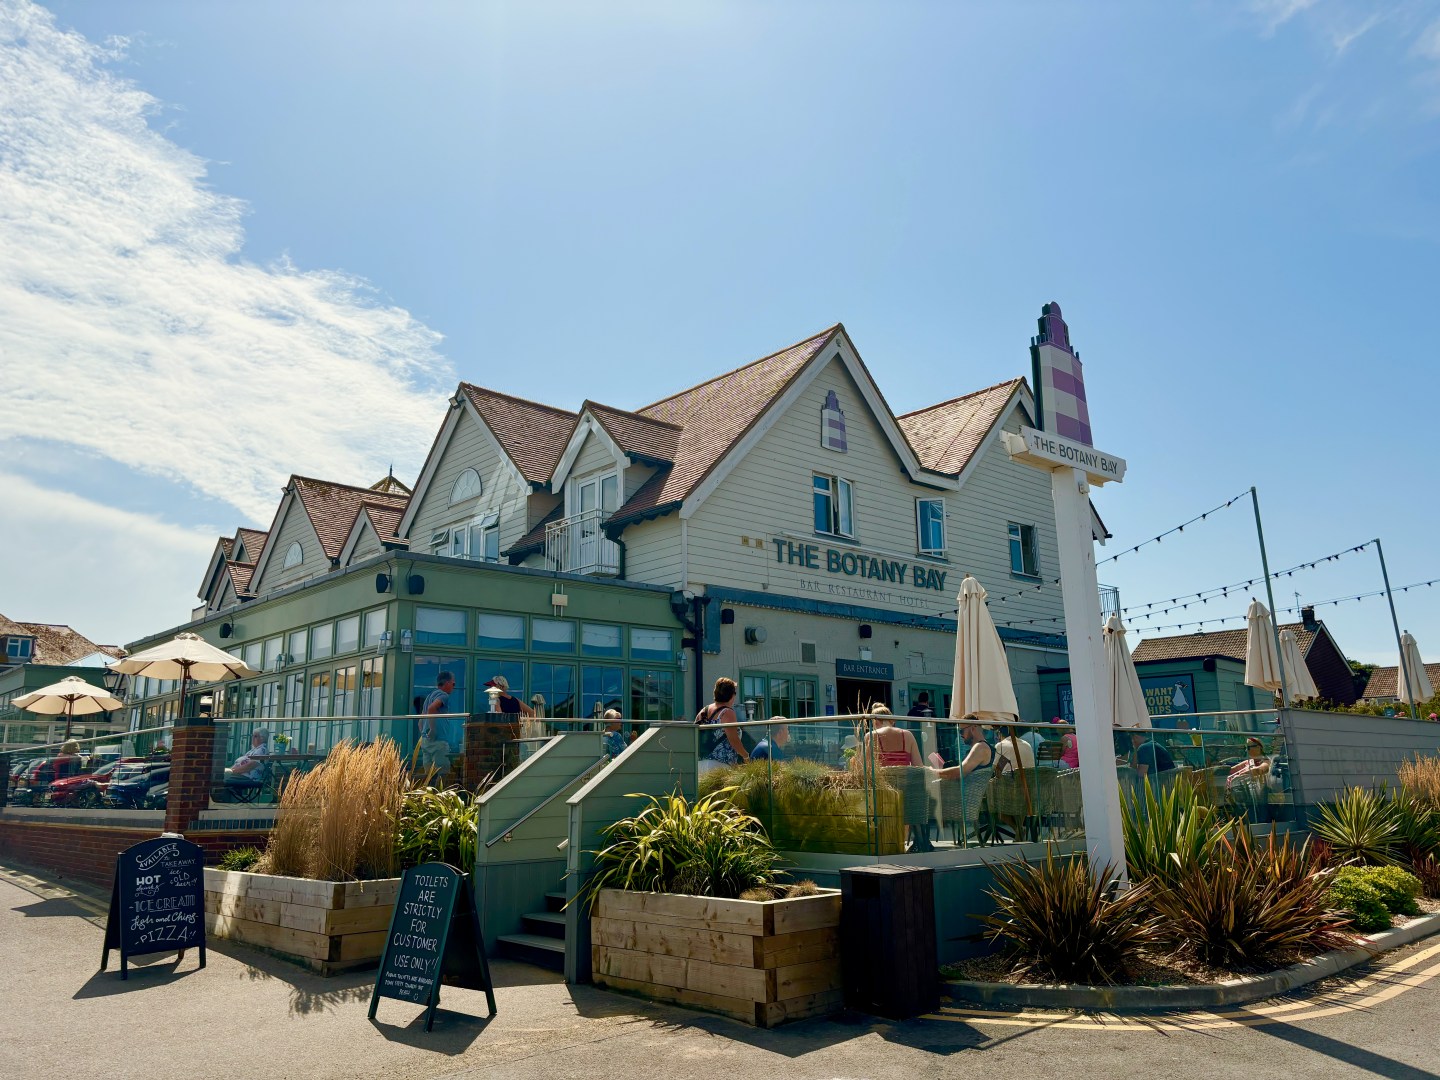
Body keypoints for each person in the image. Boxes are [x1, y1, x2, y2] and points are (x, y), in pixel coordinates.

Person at [695, 677, 748, 774]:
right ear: (731, 695)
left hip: (699, 764)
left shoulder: (703, 711)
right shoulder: (727, 712)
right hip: (719, 766)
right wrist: (746, 755)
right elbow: (734, 741)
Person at [418, 672, 456, 782]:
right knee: (443, 774)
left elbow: (420, 721)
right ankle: (441, 796)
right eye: (453, 684)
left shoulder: (429, 696)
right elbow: (431, 709)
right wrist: (433, 730)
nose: (454, 687)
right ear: (447, 683)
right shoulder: (443, 695)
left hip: (426, 742)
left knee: (428, 776)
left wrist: (424, 734)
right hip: (439, 741)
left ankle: (428, 797)